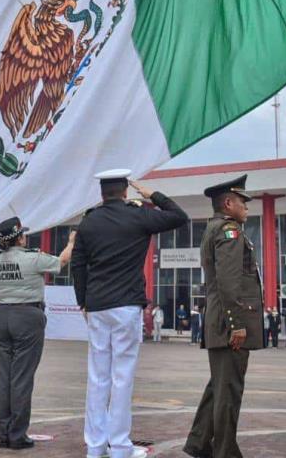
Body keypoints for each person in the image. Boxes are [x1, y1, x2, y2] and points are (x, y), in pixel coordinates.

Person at [72, 169, 187, 458]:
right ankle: (120, 446)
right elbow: (179, 216)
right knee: (122, 377)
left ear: (101, 193)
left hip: (97, 305)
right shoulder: (138, 216)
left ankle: (95, 447)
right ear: (125, 192)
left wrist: (82, 301)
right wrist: (153, 195)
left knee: (97, 376)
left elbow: (77, 264)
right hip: (126, 305)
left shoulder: (88, 222)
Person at [184, 174, 264, 458]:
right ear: (228, 203)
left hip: (219, 321)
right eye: (243, 201)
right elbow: (229, 282)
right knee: (229, 391)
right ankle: (225, 452)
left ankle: (198, 442)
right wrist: (237, 324)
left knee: (218, 387)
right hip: (229, 325)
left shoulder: (215, 228)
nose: (247, 206)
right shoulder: (229, 231)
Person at [0, 216, 74, 449]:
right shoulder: (32, 258)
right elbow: (61, 262)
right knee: (22, 378)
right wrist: (71, 243)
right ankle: (18, 435)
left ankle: (4, 432)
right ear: (19, 237)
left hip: (3, 315)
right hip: (28, 316)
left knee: (5, 377)